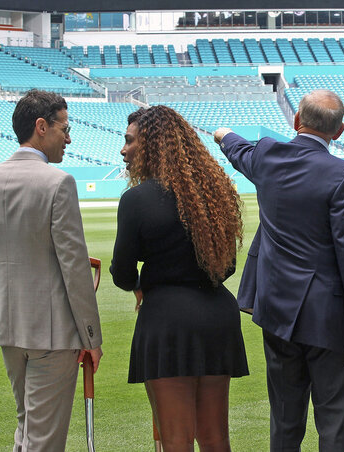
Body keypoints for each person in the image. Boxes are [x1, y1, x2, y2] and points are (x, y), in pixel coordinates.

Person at [214, 89, 344, 452]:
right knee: (334, 424)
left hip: (276, 312)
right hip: (327, 319)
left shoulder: (268, 155)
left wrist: (222, 134)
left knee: (285, 422)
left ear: (296, 121)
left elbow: (237, 148)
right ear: (339, 132)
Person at [0, 89, 103, 451]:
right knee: (43, 440)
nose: (69, 138)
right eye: (64, 128)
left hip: (10, 330)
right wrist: (91, 339)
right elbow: (75, 269)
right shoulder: (58, 183)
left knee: (26, 431)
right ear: (41, 127)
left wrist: (1, 317)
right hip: (54, 336)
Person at [110, 105, 249, 452]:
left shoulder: (135, 200)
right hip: (217, 316)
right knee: (216, 437)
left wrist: (143, 278)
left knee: (176, 440)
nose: (123, 150)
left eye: (129, 141)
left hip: (166, 322)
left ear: (153, 144)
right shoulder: (213, 193)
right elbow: (226, 267)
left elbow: (123, 273)